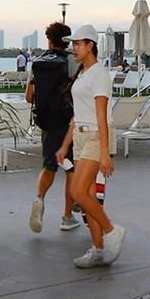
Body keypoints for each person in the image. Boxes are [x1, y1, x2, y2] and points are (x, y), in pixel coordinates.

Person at [55, 24, 126, 268]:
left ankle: (111, 231)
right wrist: (65, 145)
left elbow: (101, 116)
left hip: (96, 137)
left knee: (78, 193)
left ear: (90, 45)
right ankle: (98, 249)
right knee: (89, 196)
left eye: (77, 44)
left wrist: (105, 153)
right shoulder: (83, 74)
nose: (73, 48)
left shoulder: (99, 75)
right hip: (81, 138)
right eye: (73, 44)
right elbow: (78, 116)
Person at [25, 20, 80, 235]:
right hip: (68, 121)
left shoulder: (37, 62)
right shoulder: (72, 61)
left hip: (47, 121)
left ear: (49, 40)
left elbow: (29, 97)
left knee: (49, 165)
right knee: (71, 168)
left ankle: (39, 199)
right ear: (67, 41)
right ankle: (67, 216)